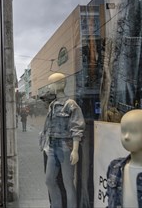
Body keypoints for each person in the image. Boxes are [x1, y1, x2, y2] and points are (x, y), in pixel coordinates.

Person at [41, 73, 85, 208]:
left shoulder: (70, 104)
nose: (49, 87)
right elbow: (48, 127)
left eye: (51, 83)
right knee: (49, 180)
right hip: (53, 147)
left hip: (66, 147)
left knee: (68, 183)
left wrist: (75, 150)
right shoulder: (52, 105)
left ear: (60, 84)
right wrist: (45, 144)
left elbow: (77, 127)